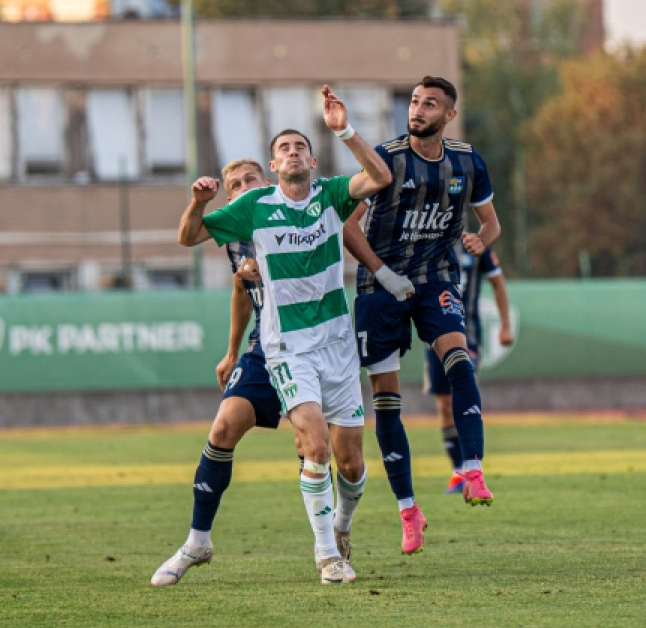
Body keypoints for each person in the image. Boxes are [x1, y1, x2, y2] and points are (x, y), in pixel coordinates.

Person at [173, 85, 392, 584]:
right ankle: (327, 558)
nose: (292, 153)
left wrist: (345, 130)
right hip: (286, 349)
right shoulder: (253, 207)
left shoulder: (333, 195)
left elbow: (379, 176)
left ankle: (340, 523)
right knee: (313, 448)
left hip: (337, 345)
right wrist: (197, 202)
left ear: (312, 160)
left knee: (351, 464)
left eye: (299, 147)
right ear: (275, 167)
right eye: (283, 149)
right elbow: (188, 237)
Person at [343, 74, 501, 555]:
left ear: (448, 114)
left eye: (430, 104)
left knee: (461, 361)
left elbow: (490, 221)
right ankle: (409, 511)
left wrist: (481, 239)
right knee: (387, 400)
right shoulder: (386, 159)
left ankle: (472, 469)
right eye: (414, 101)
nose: (418, 109)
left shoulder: (467, 161)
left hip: (435, 279)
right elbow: (348, 227)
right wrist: (382, 272)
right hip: (380, 286)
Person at [151, 158, 283, 586]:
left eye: (251, 180)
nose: (244, 187)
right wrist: (231, 353)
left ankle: (334, 540)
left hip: (315, 348)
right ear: (229, 197)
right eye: (235, 185)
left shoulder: (294, 210)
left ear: (269, 182)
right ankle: (197, 541)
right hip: (264, 350)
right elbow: (195, 243)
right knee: (223, 428)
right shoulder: (234, 229)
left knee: (328, 452)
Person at [424, 246, 513, 494]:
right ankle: (458, 469)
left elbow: (498, 283)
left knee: (462, 390)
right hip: (432, 334)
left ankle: (471, 466)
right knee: (443, 404)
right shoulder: (430, 240)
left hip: (468, 336)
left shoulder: (476, 245)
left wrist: (505, 325)